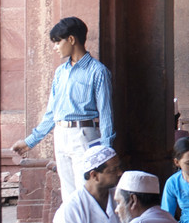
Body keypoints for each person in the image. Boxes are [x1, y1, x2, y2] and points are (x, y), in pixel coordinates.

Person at [12, 17, 115, 207]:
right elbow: (52, 113)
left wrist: (107, 151)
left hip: (84, 136)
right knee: (69, 197)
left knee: (88, 193)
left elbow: (106, 114)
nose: (55, 47)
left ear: (72, 39)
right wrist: (30, 142)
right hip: (60, 136)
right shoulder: (60, 72)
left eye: (58, 42)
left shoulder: (98, 72)